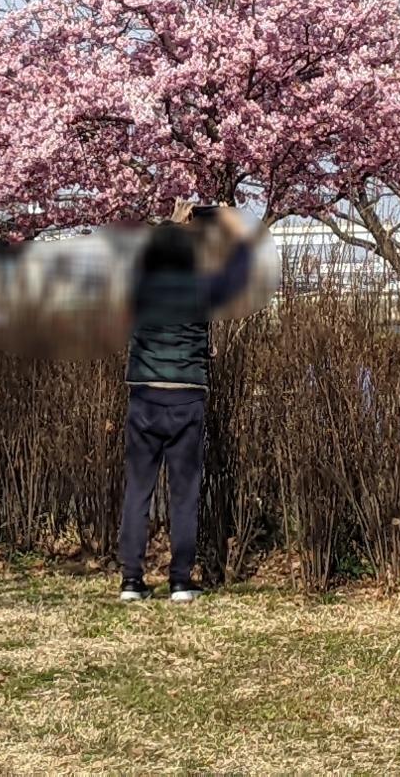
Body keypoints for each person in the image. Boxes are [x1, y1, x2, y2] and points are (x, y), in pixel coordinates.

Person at [118, 199, 255, 604]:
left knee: (138, 489)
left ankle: (131, 580)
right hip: (187, 394)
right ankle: (180, 580)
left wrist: (170, 224)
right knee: (184, 491)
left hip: (144, 390)